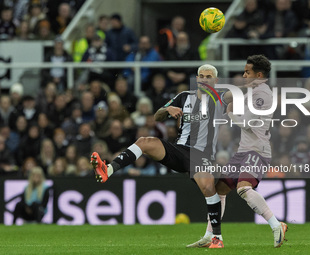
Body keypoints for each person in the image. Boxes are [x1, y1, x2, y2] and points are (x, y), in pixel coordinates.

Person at [90, 63, 260, 248]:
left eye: (208, 77)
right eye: (201, 76)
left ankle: (216, 238)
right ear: (196, 79)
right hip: (179, 151)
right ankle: (108, 169)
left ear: (216, 81)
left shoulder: (219, 98)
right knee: (145, 141)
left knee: (208, 187)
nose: (204, 79)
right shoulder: (184, 97)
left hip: (201, 155)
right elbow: (157, 116)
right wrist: (167, 110)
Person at [187, 55, 287, 248]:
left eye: (247, 72)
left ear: (258, 75)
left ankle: (277, 225)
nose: (243, 75)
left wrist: (231, 112)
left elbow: (247, 123)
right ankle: (211, 236)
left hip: (257, 150)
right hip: (245, 151)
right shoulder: (255, 91)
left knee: (243, 188)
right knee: (220, 190)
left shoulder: (262, 94)